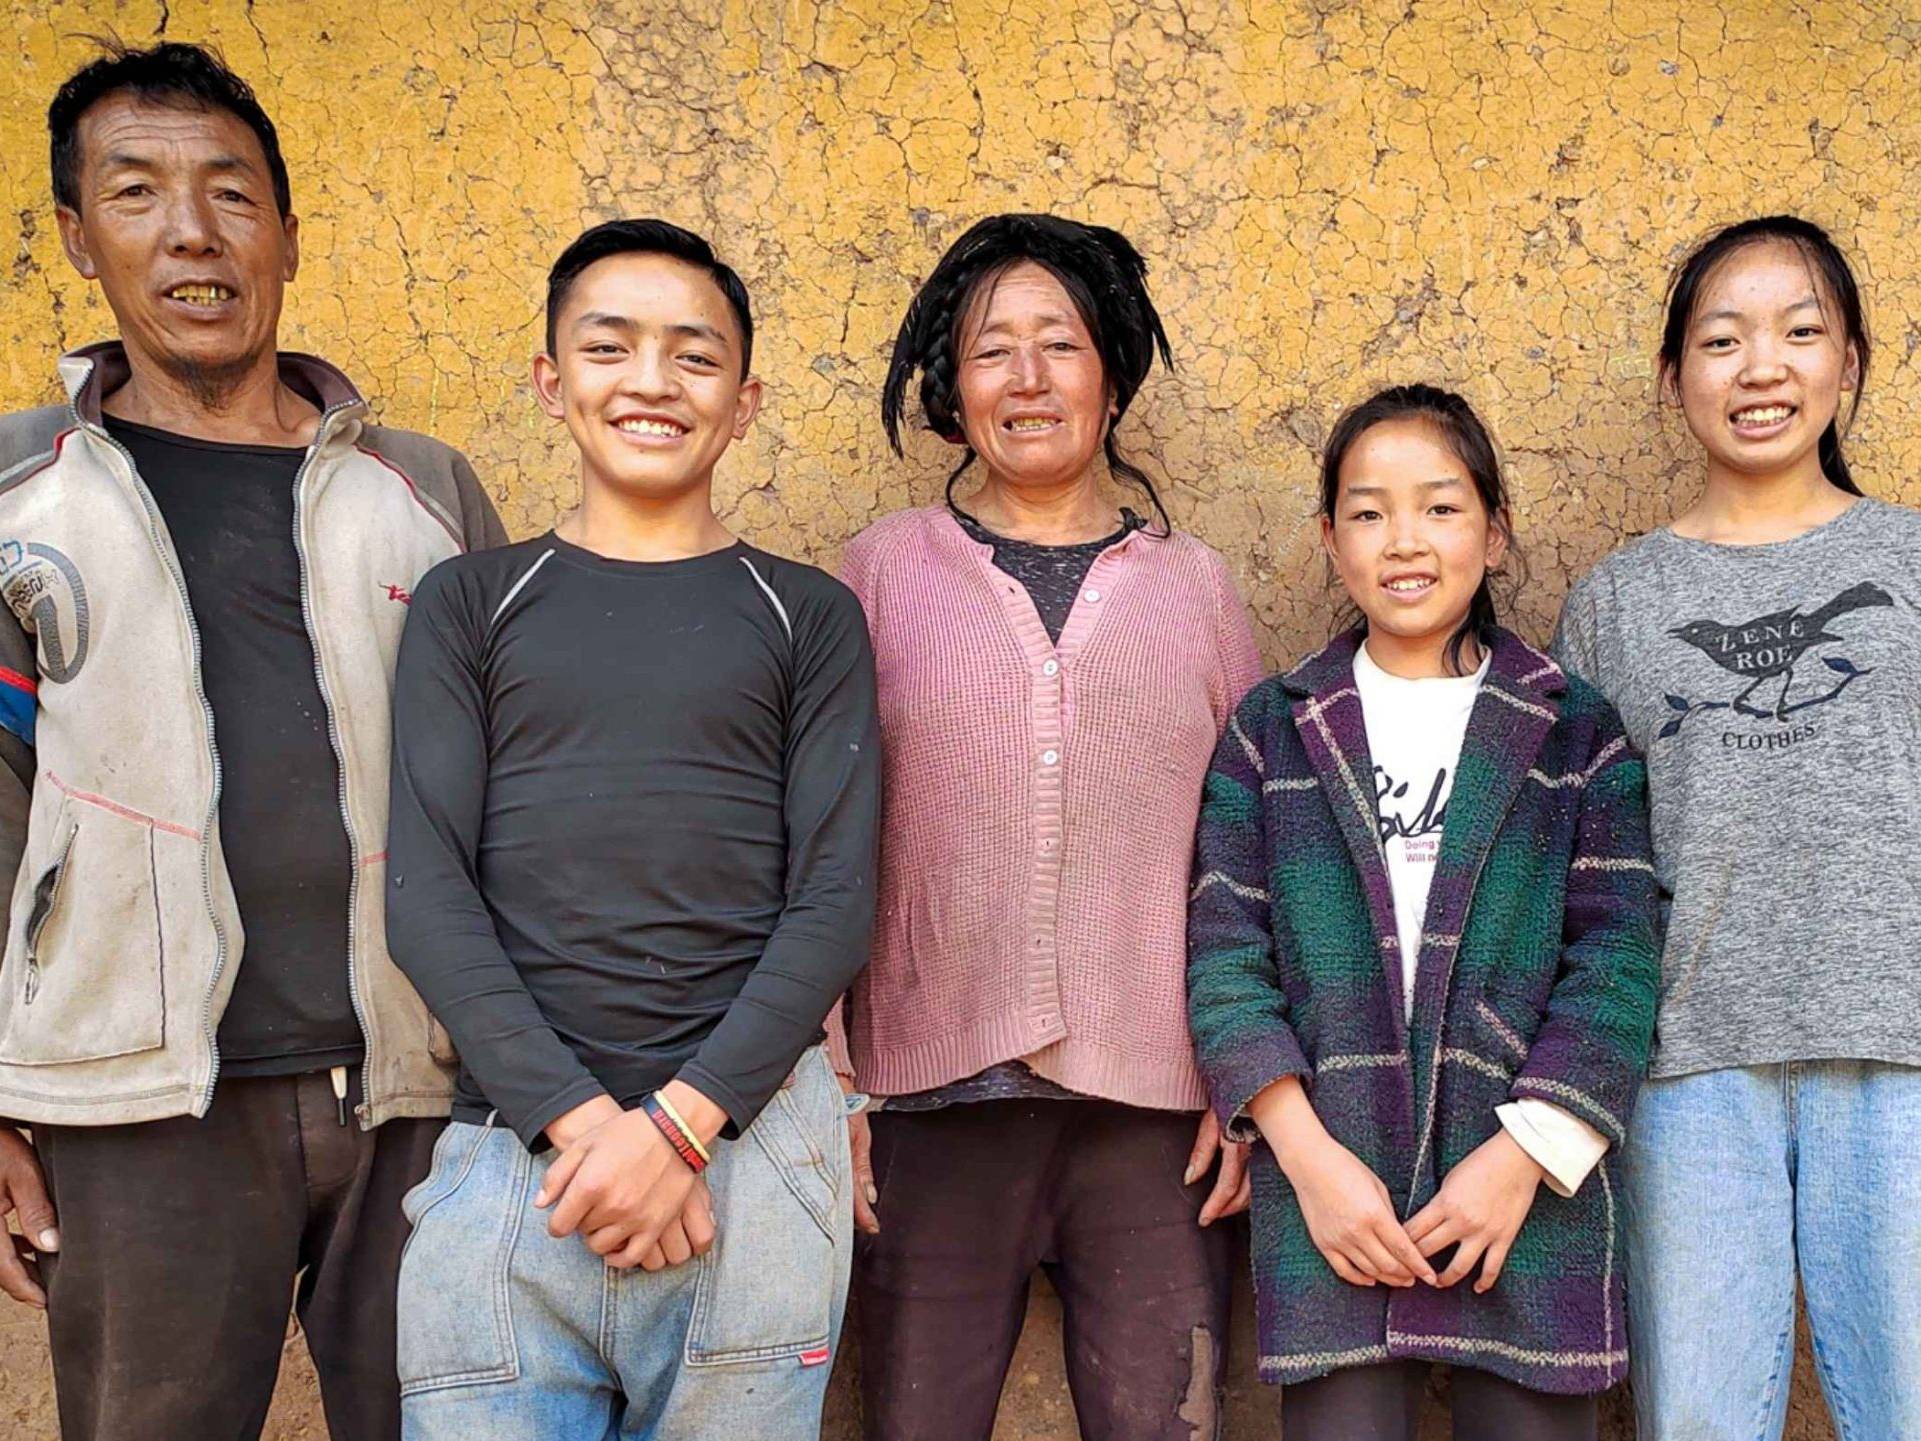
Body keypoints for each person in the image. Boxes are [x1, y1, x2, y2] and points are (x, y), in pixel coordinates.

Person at [0, 41, 504, 1441]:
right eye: (138, 192)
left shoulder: (424, 488)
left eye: (230, 193)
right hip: (138, 1105)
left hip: (421, 1084)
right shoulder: (18, 496)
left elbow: (510, 779)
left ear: (286, 232)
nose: (191, 234)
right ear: (75, 238)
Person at [385, 218, 879, 1439]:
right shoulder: (472, 602)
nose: (651, 382)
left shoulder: (807, 616)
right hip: (513, 1152)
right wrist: (588, 1127)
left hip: (752, 1156)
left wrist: (678, 1123)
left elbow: (833, 902)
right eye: (610, 347)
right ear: (552, 381)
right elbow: (425, 893)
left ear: (746, 399)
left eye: (693, 355)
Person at [832, 212, 1263, 1440]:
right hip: (926, 1112)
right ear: (949, 389)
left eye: (1058, 345)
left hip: (1156, 1124)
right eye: (989, 351)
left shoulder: (1199, 589)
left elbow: (1246, 859)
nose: (1026, 380)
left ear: (1111, 373)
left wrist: (1246, 1085)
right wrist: (831, 1080)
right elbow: (821, 839)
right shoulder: (874, 574)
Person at [1187, 384, 1659, 1440]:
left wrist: (1523, 1155)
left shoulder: (1571, 729)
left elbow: (1617, 957)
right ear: (1328, 538)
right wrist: (1307, 1162)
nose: (1404, 539)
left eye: (1440, 507)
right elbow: (1226, 956)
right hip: (1333, 1193)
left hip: (1529, 1190)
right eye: (1367, 511)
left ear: (1494, 531)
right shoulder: (1276, 728)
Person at [1554, 216, 1921, 1441]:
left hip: (1904, 1053)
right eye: (1722, 339)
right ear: (1675, 379)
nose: (1761, 367)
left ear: (1851, 361)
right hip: (1690, 1068)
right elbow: (1582, 864)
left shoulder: (1911, 564)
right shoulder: (1615, 602)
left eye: (1799, 332)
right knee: (1699, 1419)